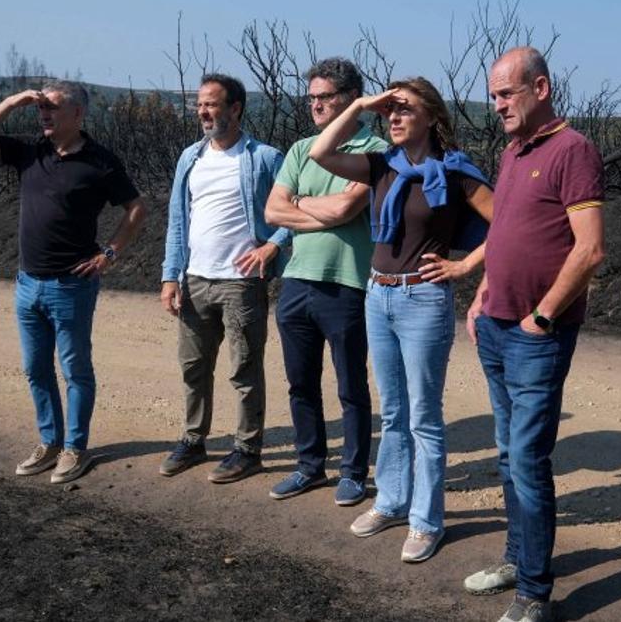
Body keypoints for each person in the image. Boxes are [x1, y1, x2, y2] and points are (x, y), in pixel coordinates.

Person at [309, 77, 493, 563]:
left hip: (423, 300)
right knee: (392, 412)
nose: (392, 117)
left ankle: (426, 521)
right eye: (388, 110)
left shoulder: (454, 172)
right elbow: (320, 152)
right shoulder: (380, 166)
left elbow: (511, 223)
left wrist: (464, 266)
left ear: (431, 117)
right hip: (377, 295)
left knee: (424, 418)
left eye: (403, 109)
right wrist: (364, 104)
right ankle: (391, 501)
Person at [462, 47, 606, 622]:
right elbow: (505, 235)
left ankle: (534, 595)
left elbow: (590, 248)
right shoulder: (514, 151)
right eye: (493, 95)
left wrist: (542, 316)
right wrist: (480, 296)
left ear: (540, 88)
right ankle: (517, 561)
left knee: (527, 458)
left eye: (505, 93)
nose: (496, 105)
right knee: (506, 454)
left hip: (535, 335)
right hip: (496, 326)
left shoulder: (574, 150)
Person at [0, 80, 146, 484]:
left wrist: (110, 253)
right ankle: (49, 441)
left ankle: (75, 449)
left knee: (75, 370)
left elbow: (135, 208)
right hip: (28, 283)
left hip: (72, 286)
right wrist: (12, 100)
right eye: (40, 107)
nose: (43, 114)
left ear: (77, 114)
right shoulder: (31, 152)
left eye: (51, 107)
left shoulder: (100, 162)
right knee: (35, 368)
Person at [263, 58, 387, 506]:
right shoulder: (300, 149)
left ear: (352, 99)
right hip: (297, 282)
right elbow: (273, 212)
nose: (315, 104)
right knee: (300, 383)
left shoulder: (374, 148)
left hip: (348, 284)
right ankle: (309, 466)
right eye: (311, 96)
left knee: (350, 385)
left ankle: (353, 472)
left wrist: (301, 200)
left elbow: (344, 211)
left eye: (325, 96)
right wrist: (315, 204)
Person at [158, 74, 289, 483]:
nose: (203, 111)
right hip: (195, 279)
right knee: (193, 367)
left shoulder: (264, 157)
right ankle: (193, 441)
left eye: (212, 104)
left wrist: (274, 245)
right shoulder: (190, 158)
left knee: (244, 369)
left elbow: (295, 209)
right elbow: (178, 221)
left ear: (235, 109)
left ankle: (248, 449)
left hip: (241, 282)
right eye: (200, 104)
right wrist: (170, 276)